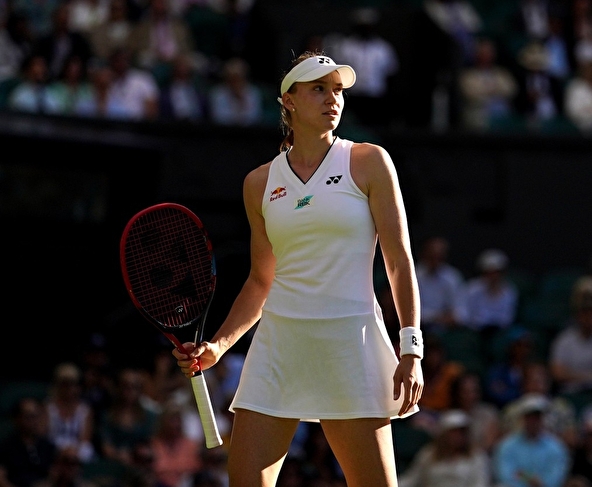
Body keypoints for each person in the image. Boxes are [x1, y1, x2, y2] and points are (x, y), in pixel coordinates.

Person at [172, 50, 424, 487]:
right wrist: (218, 346)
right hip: (280, 345)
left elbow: (399, 261)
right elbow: (261, 280)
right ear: (288, 100)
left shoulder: (370, 161)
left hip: (350, 342)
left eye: (338, 90)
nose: (333, 99)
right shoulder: (258, 183)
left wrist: (411, 348)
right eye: (319, 89)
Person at [397, 409, 490, 487]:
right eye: (453, 432)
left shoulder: (477, 456)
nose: (458, 436)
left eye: (461, 432)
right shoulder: (428, 454)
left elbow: (480, 483)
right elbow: (411, 479)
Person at [493, 394, 570, 487]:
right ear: (522, 419)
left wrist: (538, 482)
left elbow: (556, 476)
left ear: (543, 419)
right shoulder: (507, 445)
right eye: (529, 417)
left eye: (537, 417)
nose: (533, 421)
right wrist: (528, 479)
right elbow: (504, 474)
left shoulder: (556, 447)